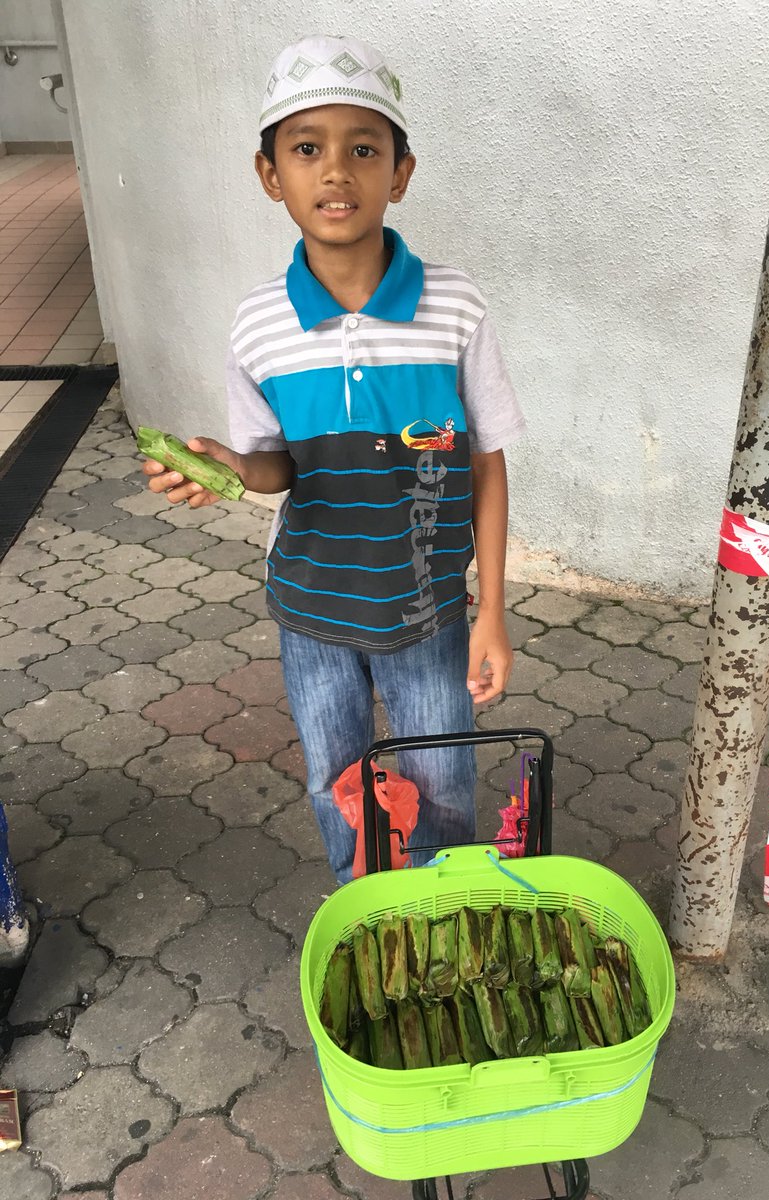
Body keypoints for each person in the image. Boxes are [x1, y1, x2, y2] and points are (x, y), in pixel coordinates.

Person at [144, 34, 526, 882]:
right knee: (335, 785)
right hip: (310, 611)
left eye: (364, 149)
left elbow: (487, 463)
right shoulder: (258, 325)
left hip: (426, 611)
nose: (336, 172)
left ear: (401, 172)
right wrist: (228, 467)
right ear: (270, 174)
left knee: (444, 789)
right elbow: (276, 465)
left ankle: (442, 921)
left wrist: (492, 609)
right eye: (307, 148)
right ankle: (369, 923)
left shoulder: (453, 305)